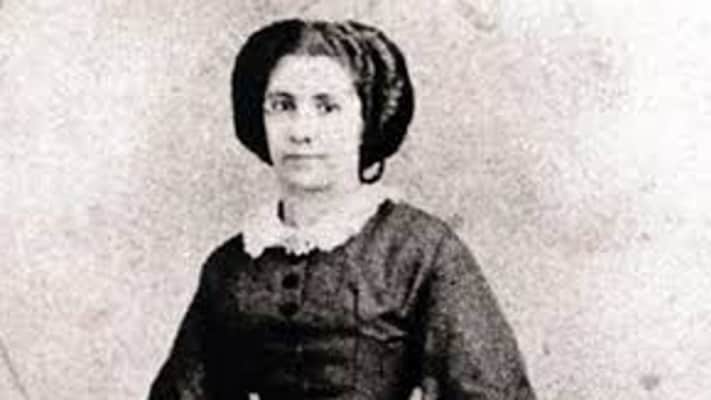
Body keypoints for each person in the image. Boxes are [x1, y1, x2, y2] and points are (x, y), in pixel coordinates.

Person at [149, 18, 536, 400]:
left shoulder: (419, 250)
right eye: (282, 105)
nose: (301, 131)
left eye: (327, 107)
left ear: (367, 120)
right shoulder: (230, 266)